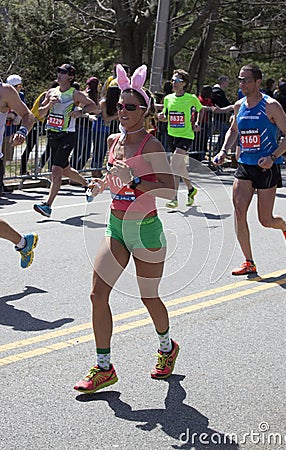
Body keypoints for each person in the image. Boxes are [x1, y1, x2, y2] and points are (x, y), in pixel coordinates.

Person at [74, 64, 179, 394]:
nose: (122, 110)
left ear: (144, 112)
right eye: (120, 104)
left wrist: (133, 181)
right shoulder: (113, 139)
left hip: (145, 229)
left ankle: (167, 347)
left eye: (130, 107)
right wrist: (101, 184)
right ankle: (104, 367)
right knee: (96, 294)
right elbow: (114, 180)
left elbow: (170, 190)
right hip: (116, 225)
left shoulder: (151, 146)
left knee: (149, 297)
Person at [215, 63, 286, 275]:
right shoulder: (238, 105)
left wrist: (272, 157)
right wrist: (224, 150)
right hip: (245, 165)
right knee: (239, 209)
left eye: (246, 80)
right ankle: (249, 261)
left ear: (257, 82)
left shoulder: (271, 106)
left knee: (265, 220)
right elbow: (233, 131)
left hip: (266, 167)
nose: (241, 83)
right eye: (239, 79)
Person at [33, 63, 97, 218]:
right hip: (52, 135)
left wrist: (80, 111)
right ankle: (88, 184)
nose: (59, 74)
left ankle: (47, 205)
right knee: (66, 169)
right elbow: (40, 114)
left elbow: (93, 106)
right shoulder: (51, 92)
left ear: (70, 76)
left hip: (67, 135)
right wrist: (49, 104)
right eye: (58, 71)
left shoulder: (74, 94)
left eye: (63, 72)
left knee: (56, 170)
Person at [0, 80, 38, 267]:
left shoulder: (5, 91)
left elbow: (28, 116)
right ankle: (23, 243)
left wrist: (22, 131)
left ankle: (23, 243)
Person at [158, 69, 203, 208]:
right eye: (172, 80)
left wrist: (197, 123)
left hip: (186, 135)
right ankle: (191, 189)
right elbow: (166, 116)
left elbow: (201, 109)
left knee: (174, 165)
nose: (173, 83)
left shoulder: (191, 98)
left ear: (184, 83)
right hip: (172, 135)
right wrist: (161, 117)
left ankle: (174, 198)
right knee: (180, 166)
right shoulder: (168, 98)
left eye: (176, 81)